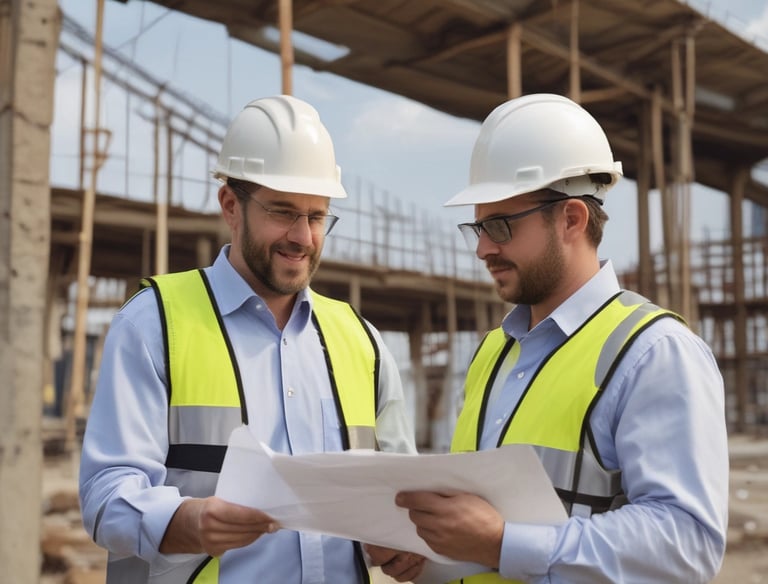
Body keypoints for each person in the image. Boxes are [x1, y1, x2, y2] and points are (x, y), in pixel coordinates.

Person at [372, 93, 729, 583]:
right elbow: (483, 529)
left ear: (572, 220)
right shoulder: (494, 352)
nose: (482, 248)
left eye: (499, 225)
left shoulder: (652, 353)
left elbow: (686, 545)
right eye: (477, 226)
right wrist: (431, 554)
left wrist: (503, 542)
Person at [79, 95, 421, 583]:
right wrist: (188, 523)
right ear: (230, 206)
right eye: (283, 212)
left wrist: (403, 541)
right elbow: (105, 495)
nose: (302, 236)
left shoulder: (361, 340)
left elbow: (400, 494)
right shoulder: (155, 324)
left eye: (318, 216)